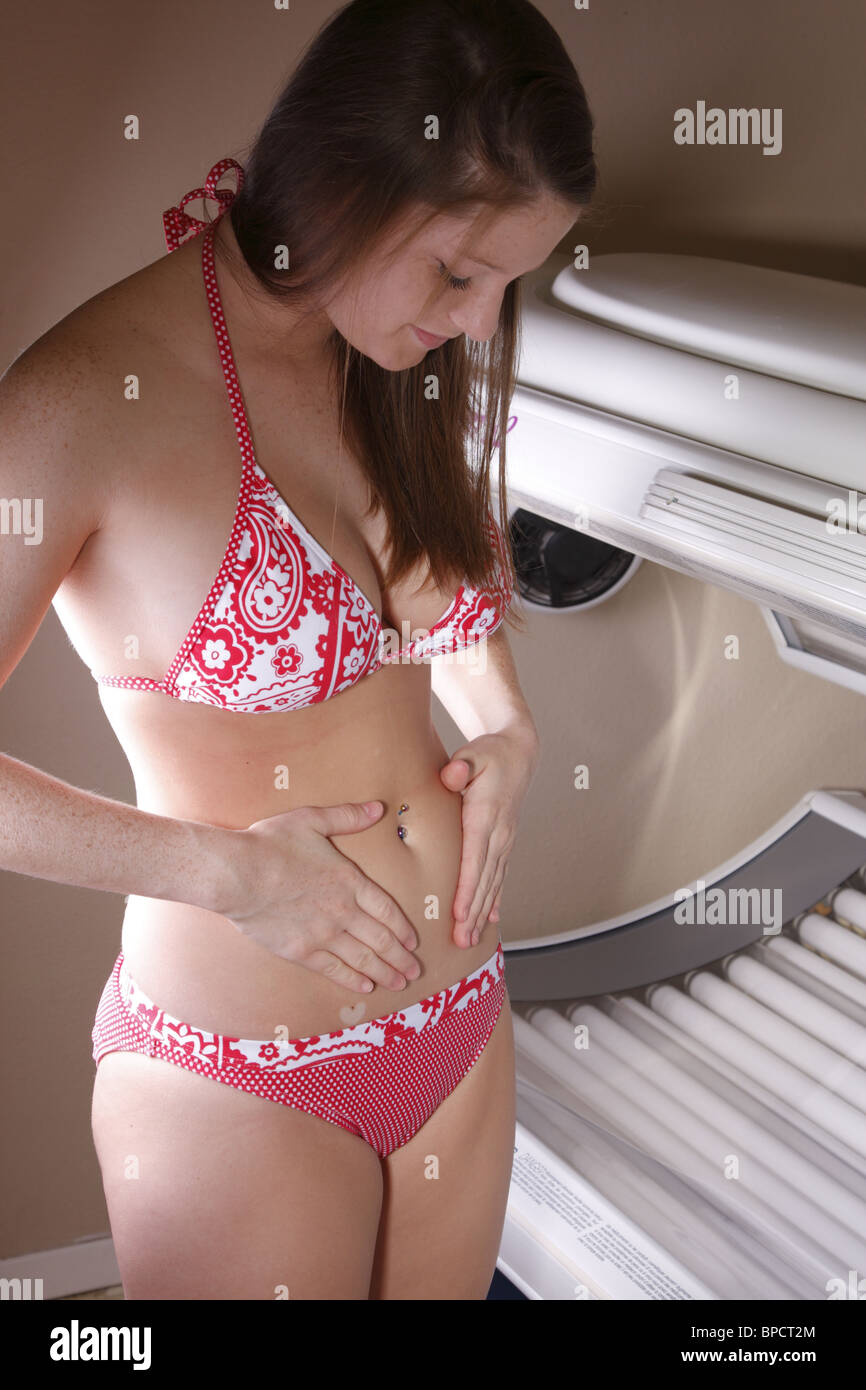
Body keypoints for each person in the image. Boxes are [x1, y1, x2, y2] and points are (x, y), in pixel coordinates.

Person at [0, 0, 596, 1299]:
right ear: (341, 186)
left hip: (457, 1024)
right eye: (458, 274)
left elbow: (442, 606)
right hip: (240, 1073)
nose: (483, 325)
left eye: (511, 282)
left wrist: (501, 721)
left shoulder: (389, 358)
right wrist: (229, 873)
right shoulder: (80, 404)